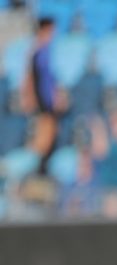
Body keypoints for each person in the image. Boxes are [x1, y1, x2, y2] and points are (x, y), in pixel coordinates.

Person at [22, 17, 64, 175]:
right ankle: (36, 172)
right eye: (51, 30)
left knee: (51, 136)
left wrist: (57, 94)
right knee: (43, 137)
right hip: (42, 101)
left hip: (49, 101)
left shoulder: (49, 51)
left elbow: (52, 77)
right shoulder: (36, 52)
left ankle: (44, 170)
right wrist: (30, 97)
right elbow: (31, 77)